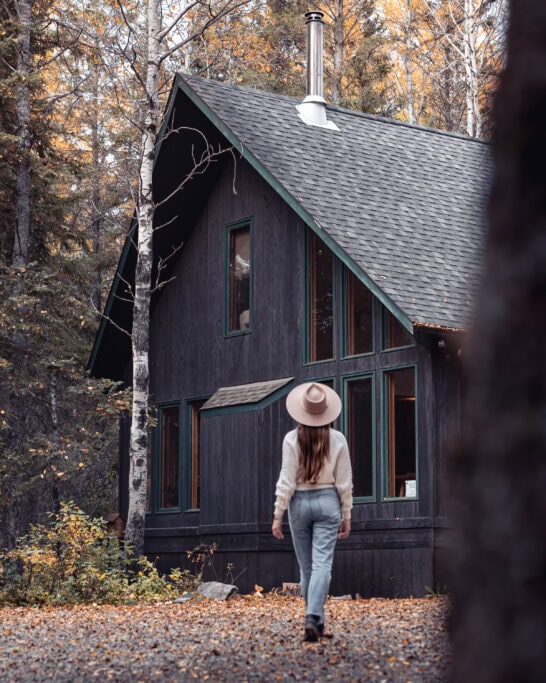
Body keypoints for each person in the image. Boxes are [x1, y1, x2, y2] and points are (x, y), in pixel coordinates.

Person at [272, 382, 353, 642]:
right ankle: (313, 618)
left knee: (306, 569)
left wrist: (277, 514)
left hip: (298, 503)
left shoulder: (291, 439)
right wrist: (347, 514)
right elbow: (345, 481)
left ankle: (315, 621)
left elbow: (286, 480)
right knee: (322, 565)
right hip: (328, 501)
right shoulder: (338, 439)